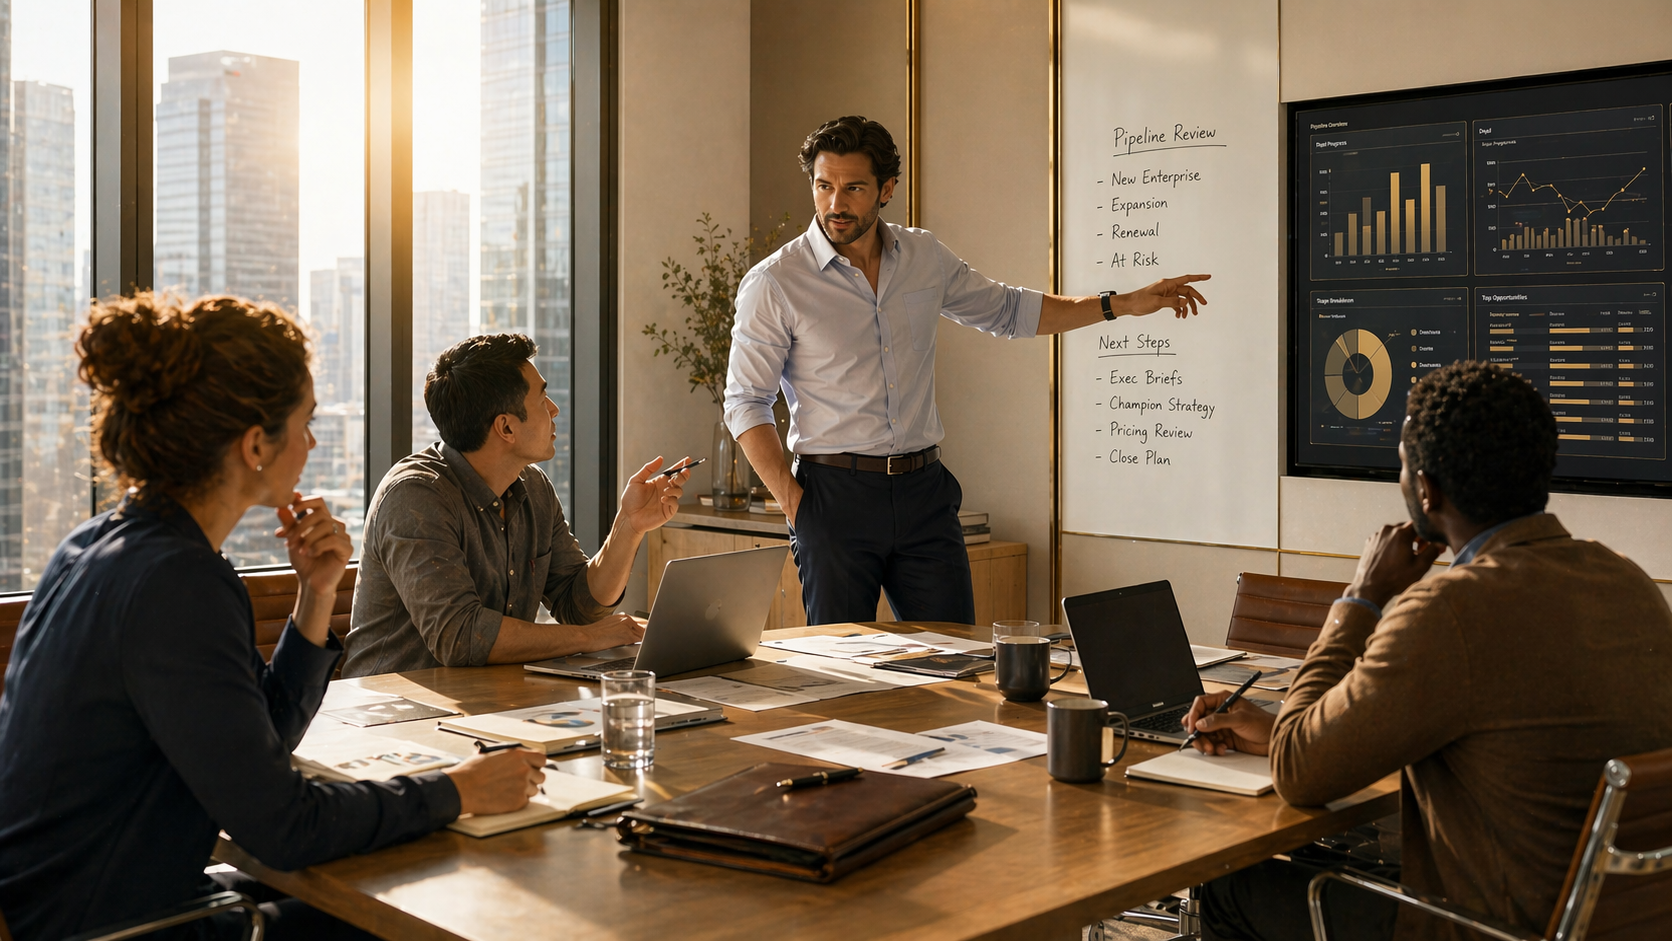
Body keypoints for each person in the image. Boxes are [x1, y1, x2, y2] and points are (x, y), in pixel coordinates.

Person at [0, 294, 545, 940]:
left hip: (87, 905)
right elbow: (286, 826)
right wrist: (457, 789)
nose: (314, 441)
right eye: (307, 421)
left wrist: (315, 597)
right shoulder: (177, 584)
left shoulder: (100, 544)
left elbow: (261, 741)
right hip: (121, 927)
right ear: (256, 443)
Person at [1182, 361, 1672, 941]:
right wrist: (1284, 727)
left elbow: (1297, 773)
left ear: (1425, 489)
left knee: (1232, 888)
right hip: (1608, 924)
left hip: (1486, 928)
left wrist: (1362, 597)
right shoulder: (1628, 582)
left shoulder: (1452, 609)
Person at [726, 114, 1210, 625]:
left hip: (923, 495)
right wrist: (796, 507)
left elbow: (1010, 310)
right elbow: (745, 401)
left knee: (958, 660)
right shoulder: (776, 282)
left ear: (886, 189)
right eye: (824, 186)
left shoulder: (922, 255)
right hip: (833, 497)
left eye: (854, 188)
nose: (835, 204)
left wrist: (1122, 304)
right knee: (846, 672)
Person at [341, 333, 690, 677]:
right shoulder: (414, 496)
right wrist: (590, 639)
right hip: (394, 715)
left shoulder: (533, 486)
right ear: (506, 427)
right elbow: (460, 636)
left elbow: (578, 605)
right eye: (543, 399)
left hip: (491, 699)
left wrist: (628, 527)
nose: (554, 409)